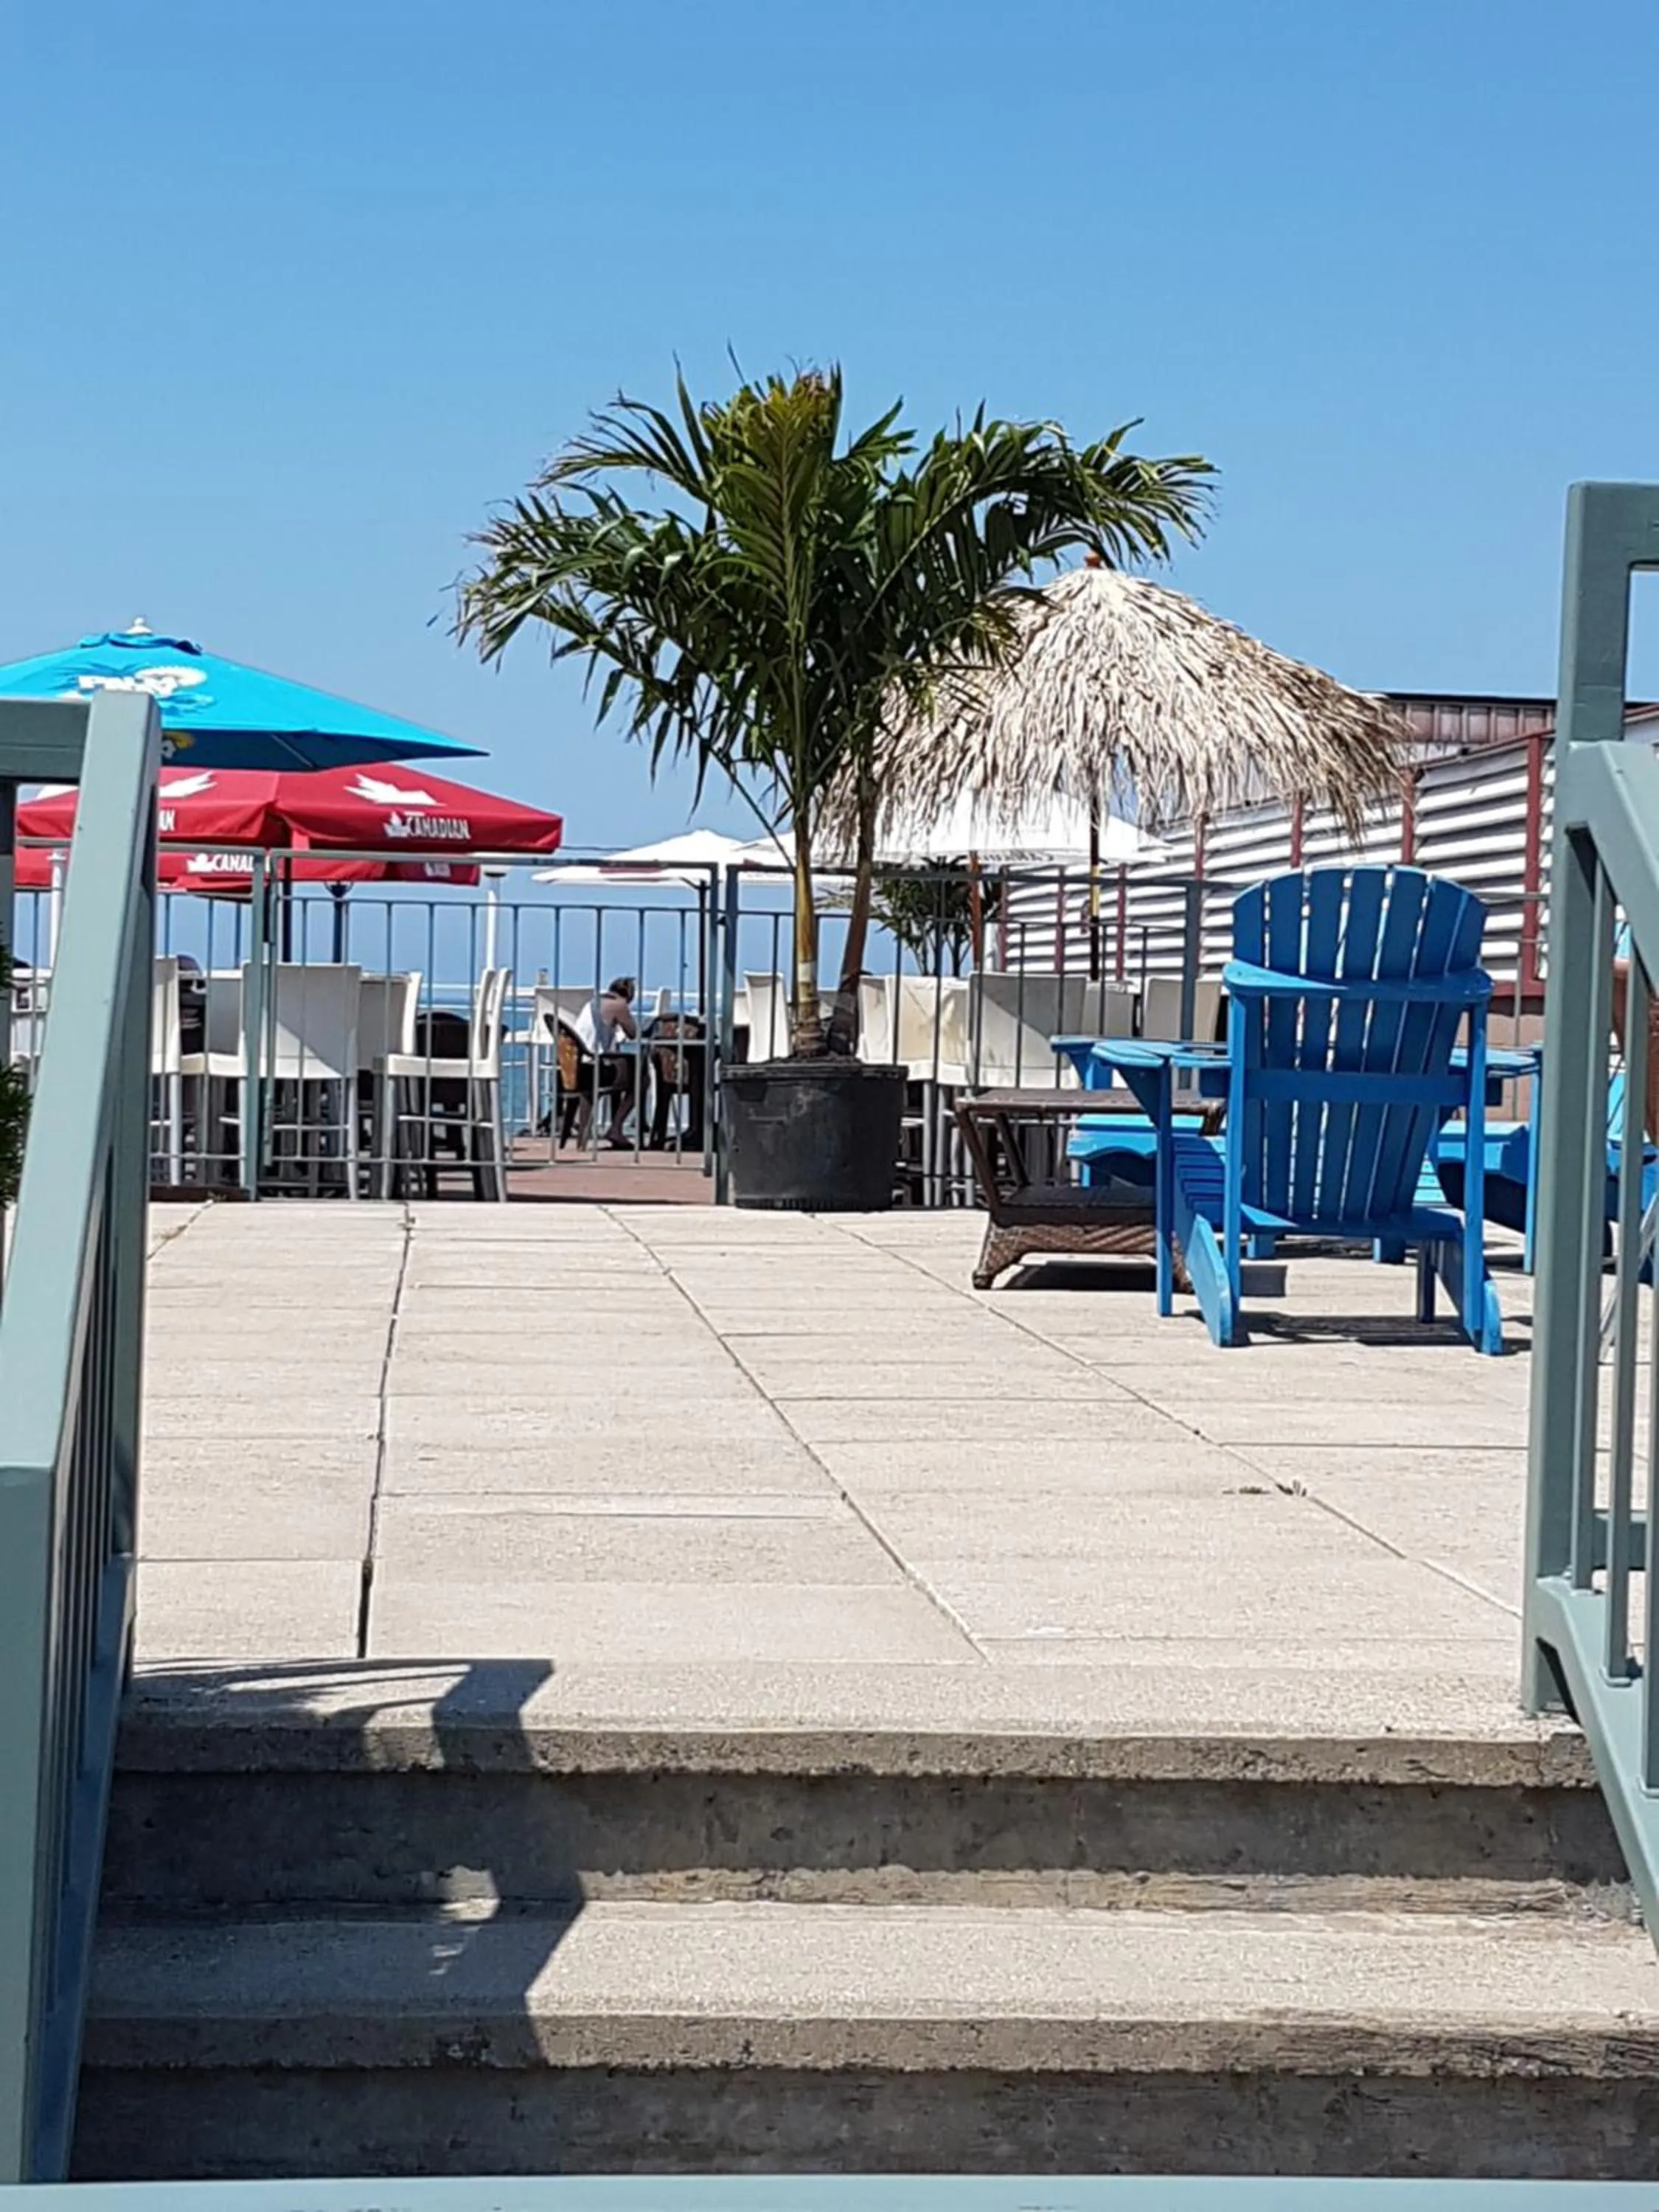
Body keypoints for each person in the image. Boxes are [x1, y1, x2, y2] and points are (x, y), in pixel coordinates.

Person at [574, 978, 640, 1145]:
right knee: (641, 1078)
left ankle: (604, 1127)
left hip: (577, 1065)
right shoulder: (619, 1005)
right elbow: (634, 1033)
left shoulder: (593, 1003)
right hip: (595, 1068)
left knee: (625, 1068)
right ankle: (616, 1128)